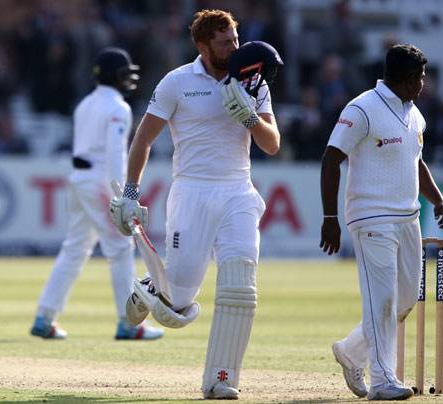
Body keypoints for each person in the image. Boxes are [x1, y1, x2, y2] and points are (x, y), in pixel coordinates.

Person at [109, 10, 282, 400]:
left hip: (238, 190)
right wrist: (131, 193)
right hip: (192, 192)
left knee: (240, 284)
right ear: (203, 46)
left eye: (236, 39)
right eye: (225, 43)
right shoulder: (178, 82)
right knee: (178, 304)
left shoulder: (253, 82)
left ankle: (222, 378)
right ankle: (152, 287)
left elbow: (272, 145)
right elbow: (144, 138)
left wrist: (250, 116)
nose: (234, 48)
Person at [319, 44, 443, 400]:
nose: (423, 84)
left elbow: (416, 161)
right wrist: (329, 217)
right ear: (403, 79)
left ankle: (351, 352)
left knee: (406, 298)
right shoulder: (362, 108)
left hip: (409, 216)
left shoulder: (414, 113)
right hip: (370, 215)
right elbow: (331, 159)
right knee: (383, 299)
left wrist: (437, 199)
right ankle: (383, 380)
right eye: (420, 77)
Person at [30, 47, 163, 341]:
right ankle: (128, 323)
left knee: (75, 249)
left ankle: (44, 317)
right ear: (118, 76)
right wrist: (122, 194)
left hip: (79, 180)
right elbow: (115, 153)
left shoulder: (85, 104)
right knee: (119, 249)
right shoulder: (118, 108)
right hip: (100, 183)